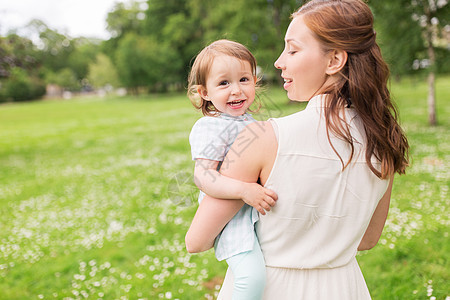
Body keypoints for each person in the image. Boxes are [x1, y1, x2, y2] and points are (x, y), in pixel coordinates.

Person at [185, 0, 409, 299]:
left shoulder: (263, 137)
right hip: (346, 288)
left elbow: (197, 240)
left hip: (273, 288)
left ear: (334, 61)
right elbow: (367, 239)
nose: (279, 62)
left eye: (292, 49)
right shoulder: (383, 139)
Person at [186, 39, 278, 300]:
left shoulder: (250, 122)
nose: (236, 90)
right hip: (231, 221)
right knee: (251, 277)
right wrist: (243, 189)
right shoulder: (211, 126)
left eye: (244, 80)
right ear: (205, 92)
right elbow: (202, 175)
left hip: (255, 216)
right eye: (224, 83)